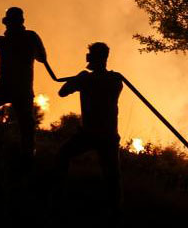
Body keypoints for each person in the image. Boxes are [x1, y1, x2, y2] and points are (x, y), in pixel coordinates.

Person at [54, 42, 132, 209]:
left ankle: (57, 197)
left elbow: (62, 92)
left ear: (94, 58)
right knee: (112, 176)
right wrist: (81, 78)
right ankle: (115, 211)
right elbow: (63, 93)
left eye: (90, 54)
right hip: (106, 135)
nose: (87, 57)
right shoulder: (115, 80)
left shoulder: (87, 80)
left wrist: (79, 78)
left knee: (63, 155)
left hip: (92, 134)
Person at [0, 6, 59, 155]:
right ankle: (27, 156)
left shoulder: (4, 40)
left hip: (8, 86)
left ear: (8, 23)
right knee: (26, 124)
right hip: (21, 88)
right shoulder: (30, 37)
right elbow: (42, 58)